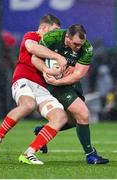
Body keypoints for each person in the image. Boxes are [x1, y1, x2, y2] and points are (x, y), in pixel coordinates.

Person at [0, 14, 71, 165]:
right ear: (44, 27)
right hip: (23, 79)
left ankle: (29, 153)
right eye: (55, 29)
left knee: (60, 117)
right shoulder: (32, 35)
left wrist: (58, 73)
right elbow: (31, 48)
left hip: (41, 87)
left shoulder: (52, 45)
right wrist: (57, 57)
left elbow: (54, 69)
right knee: (28, 105)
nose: (57, 33)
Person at [30, 24, 109, 164]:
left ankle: (43, 131)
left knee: (73, 121)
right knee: (83, 113)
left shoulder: (87, 48)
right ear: (67, 37)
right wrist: (47, 70)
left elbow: (78, 75)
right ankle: (90, 155)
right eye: (76, 44)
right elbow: (34, 58)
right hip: (51, 82)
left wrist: (58, 82)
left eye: (81, 44)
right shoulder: (53, 37)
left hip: (67, 84)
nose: (79, 47)